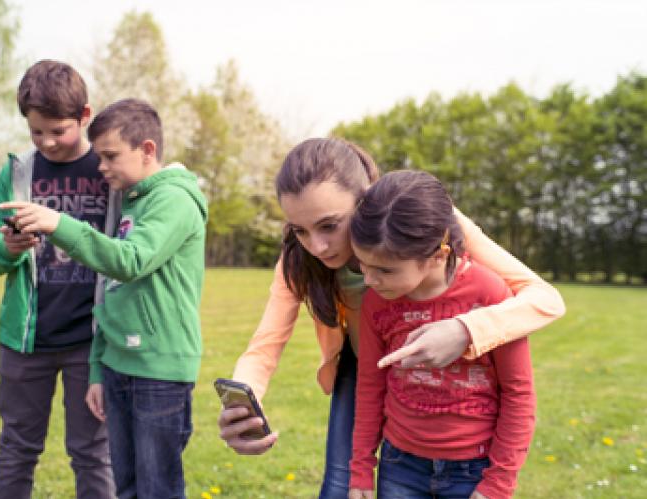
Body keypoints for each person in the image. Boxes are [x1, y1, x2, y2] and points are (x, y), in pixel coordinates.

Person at [218, 138, 564, 498]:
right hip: (366, 365)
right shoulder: (298, 260)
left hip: (448, 381)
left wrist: (464, 330)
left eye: (329, 225)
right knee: (341, 488)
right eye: (300, 230)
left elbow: (545, 299)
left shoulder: (425, 221)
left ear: (366, 198)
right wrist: (245, 404)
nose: (317, 247)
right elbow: (265, 345)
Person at [0, 98, 208, 499]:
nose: (101, 167)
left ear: (147, 150)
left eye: (111, 156)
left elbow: (129, 262)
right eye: (99, 156)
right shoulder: (131, 201)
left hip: (159, 371)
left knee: (158, 489)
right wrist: (98, 367)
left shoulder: (174, 200)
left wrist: (58, 223)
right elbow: (109, 292)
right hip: (118, 365)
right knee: (126, 488)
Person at [0, 59, 116, 498]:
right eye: (37, 132)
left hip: (92, 341)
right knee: (17, 448)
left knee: (93, 453)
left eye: (59, 130)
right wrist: (7, 249)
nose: (48, 142)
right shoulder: (17, 173)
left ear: (85, 117)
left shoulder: (108, 170)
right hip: (25, 342)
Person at [348, 170, 535, 499]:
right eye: (362, 265)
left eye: (384, 270)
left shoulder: (489, 293)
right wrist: (361, 469)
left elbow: (518, 394)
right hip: (400, 465)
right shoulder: (376, 303)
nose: (369, 279)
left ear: (438, 255)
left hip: (472, 470)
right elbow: (370, 386)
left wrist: (498, 484)